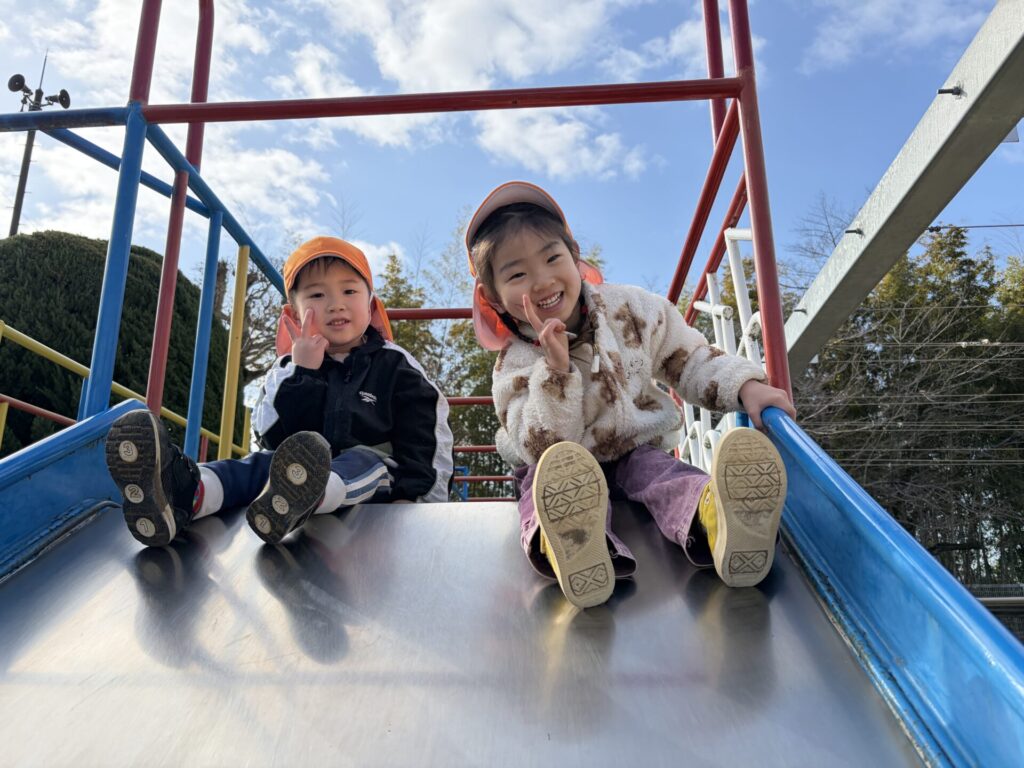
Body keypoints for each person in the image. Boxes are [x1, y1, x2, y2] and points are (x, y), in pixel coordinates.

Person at [466, 181, 796, 608]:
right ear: (493, 297)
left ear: (575, 256)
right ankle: (573, 546)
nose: (543, 280)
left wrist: (746, 386)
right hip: (560, 470)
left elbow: (688, 358)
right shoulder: (513, 364)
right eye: (517, 274)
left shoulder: (631, 310)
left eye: (552, 258)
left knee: (667, 477)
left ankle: (719, 520)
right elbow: (542, 445)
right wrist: (556, 372)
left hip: (632, 450)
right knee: (539, 492)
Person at [105, 236, 454, 547]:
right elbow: (269, 435)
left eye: (349, 291)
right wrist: (305, 373)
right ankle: (183, 492)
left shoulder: (396, 366)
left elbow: (425, 434)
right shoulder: (288, 368)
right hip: (293, 470)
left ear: (371, 304)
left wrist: (417, 500)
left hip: (375, 483)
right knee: (256, 465)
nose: (336, 304)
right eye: (317, 295)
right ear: (294, 314)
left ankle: (307, 495)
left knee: (364, 463)